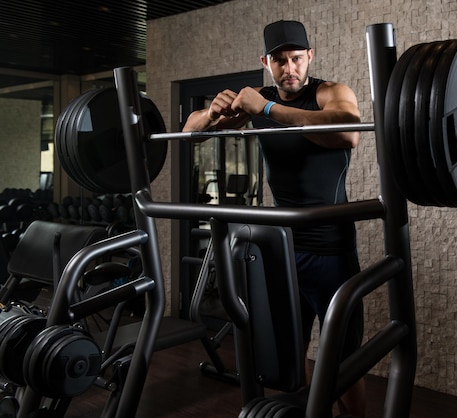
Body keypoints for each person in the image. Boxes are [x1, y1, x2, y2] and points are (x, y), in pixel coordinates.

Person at [183, 20, 365, 417]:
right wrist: (211, 113)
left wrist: (265, 109)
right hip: (284, 249)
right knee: (288, 351)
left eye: (296, 59)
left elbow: (348, 131)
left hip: (332, 249)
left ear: (309, 56)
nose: (289, 68)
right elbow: (190, 131)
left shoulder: (328, 93)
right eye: (279, 61)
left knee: (345, 358)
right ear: (266, 62)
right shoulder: (258, 98)